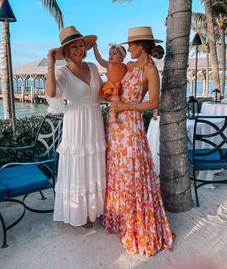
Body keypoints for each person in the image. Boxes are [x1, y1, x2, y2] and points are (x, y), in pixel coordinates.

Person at [103, 26, 173, 256]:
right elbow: (112, 76)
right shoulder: (129, 66)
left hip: (131, 126)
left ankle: (138, 228)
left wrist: (126, 106)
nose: (128, 48)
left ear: (140, 45)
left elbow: (154, 103)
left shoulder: (151, 71)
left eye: (130, 45)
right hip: (116, 128)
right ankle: (121, 222)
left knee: (134, 174)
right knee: (118, 173)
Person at [46, 25, 106, 228]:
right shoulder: (62, 72)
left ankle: (96, 207)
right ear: (66, 52)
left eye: (81, 45)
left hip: (95, 119)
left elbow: (101, 93)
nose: (79, 49)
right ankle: (81, 213)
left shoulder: (93, 67)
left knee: (94, 161)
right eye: (74, 47)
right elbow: (52, 93)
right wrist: (51, 65)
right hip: (76, 123)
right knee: (79, 165)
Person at [93, 42, 127, 123]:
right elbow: (99, 59)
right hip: (112, 88)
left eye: (114, 54)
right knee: (115, 100)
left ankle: (117, 115)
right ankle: (112, 117)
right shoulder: (109, 65)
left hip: (120, 88)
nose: (111, 56)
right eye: (109, 54)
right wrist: (95, 49)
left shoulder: (124, 66)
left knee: (119, 102)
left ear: (122, 57)